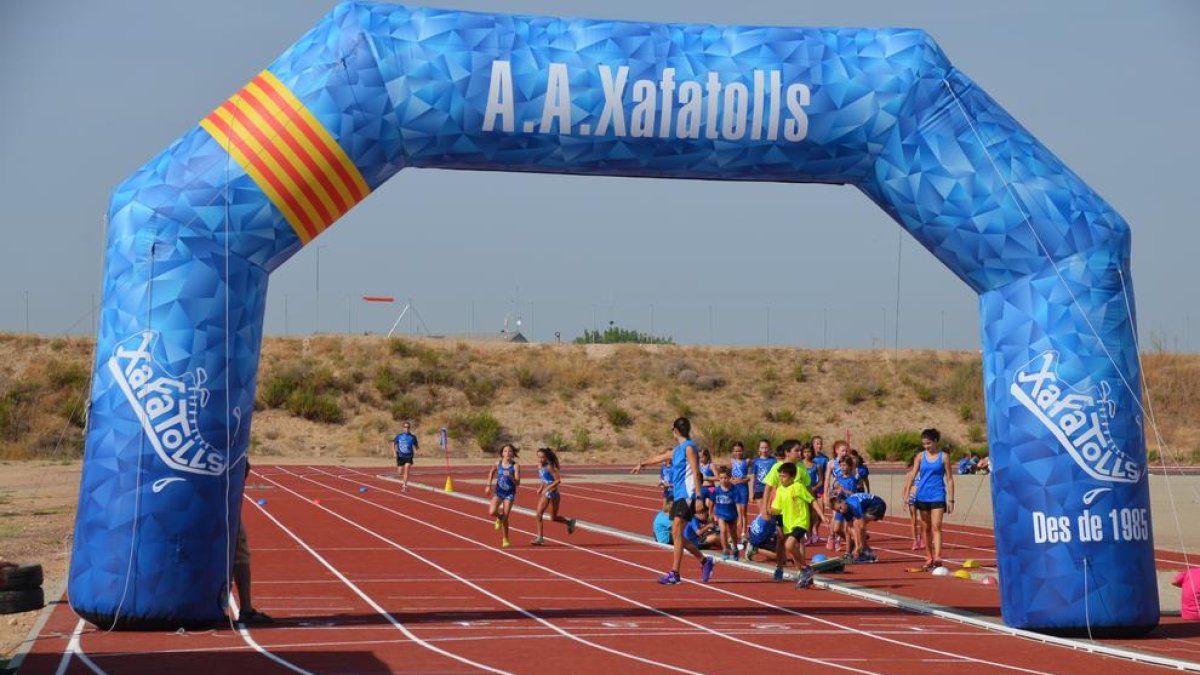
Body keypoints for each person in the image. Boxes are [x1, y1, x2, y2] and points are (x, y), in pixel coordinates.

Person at [632, 417, 715, 585]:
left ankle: (675, 573)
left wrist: (699, 497)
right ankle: (704, 561)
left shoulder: (690, 448)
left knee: (677, 530)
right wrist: (642, 463)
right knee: (676, 534)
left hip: (688, 495)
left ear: (675, 431)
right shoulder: (677, 450)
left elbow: (696, 472)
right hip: (678, 496)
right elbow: (661, 457)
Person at [902, 428, 955, 569]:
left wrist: (951, 500)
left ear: (936, 441)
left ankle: (938, 557)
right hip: (922, 495)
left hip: (938, 494)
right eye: (924, 444)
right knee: (926, 528)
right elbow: (912, 475)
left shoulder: (944, 457)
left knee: (937, 526)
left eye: (929, 443)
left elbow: (949, 479)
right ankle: (929, 556)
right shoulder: (920, 456)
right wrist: (907, 495)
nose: (926, 446)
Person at [234, 460, 273, 625]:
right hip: (224, 507)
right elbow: (244, 468)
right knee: (239, 555)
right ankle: (246, 609)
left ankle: (208, 607)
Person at [770, 462, 817, 589]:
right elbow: (776, 508)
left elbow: (812, 500)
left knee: (789, 545)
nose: (781, 479)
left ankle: (805, 569)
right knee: (791, 549)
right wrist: (769, 511)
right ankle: (805, 572)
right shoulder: (780, 490)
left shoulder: (798, 487)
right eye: (779, 476)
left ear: (792, 477)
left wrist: (822, 516)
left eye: (784, 476)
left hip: (801, 522)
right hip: (788, 524)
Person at [531, 447, 576, 545]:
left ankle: (569, 522)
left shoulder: (550, 467)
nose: (540, 459)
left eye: (542, 458)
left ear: (546, 458)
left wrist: (548, 487)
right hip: (546, 494)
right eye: (538, 457)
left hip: (554, 494)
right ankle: (540, 538)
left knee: (553, 518)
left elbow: (558, 480)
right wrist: (541, 487)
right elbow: (543, 478)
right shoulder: (539, 466)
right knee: (538, 514)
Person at [830, 492, 887, 563]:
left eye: (840, 508)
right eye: (838, 511)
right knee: (849, 528)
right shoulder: (845, 508)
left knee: (857, 523)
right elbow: (847, 530)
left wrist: (858, 547)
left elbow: (862, 525)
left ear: (843, 501)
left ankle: (862, 552)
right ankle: (867, 552)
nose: (841, 511)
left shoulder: (854, 504)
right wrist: (847, 552)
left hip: (878, 505)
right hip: (868, 507)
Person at [485, 444, 521, 549]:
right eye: (505, 451)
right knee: (492, 512)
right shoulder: (498, 464)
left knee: (506, 517)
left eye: (510, 451)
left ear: (513, 453)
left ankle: (505, 538)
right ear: (502, 453)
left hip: (509, 493)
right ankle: (499, 517)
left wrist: (510, 476)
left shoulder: (515, 466)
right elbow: (491, 472)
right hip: (498, 492)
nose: (508, 453)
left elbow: (518, 483)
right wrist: (488, 485)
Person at [712, 466, 739, 560]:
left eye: (726, 478)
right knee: (723, 531)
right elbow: (712, 502)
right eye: (721, 478)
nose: (723, 480)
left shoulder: (734, 490)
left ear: (730, 478)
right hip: (721, 514)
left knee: (733, 534)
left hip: (732, 514)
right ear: (719, 478)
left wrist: (738, 517)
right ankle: (725, 550)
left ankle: (735, 548)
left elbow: (738, 504)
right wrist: (712, 514)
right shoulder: (716, 490)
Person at [728, 441, 751, 546]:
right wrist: (732, 480)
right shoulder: (731, 461)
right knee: (736, 512)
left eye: (739, 450)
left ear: (743, 451)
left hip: (743, 488)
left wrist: (741, 480)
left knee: (743, 512)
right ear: (733, 452)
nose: (738, 452)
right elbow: (728, 475)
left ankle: (743, 533)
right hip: (734, 488)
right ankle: (733, 533)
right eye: (735, 451)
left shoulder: (746, 461)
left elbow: (749, 477)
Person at [903, 453, 924, 551]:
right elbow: (906, 488)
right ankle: (915, 540)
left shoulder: (925, 473)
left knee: (924, 520)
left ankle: (921, 538)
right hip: (912, 497)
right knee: (914, 520)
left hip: (923, 498)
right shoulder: (910, 474)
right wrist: (905, 500)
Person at [749, 439, 776, 513]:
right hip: (758, 489)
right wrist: (751, 493)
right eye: (762, 447)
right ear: (759, 449)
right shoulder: (756, 461)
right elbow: (753, 478)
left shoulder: (773, 461)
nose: (764, 450)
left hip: (770, 489)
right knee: (762, 512)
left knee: (770, 511)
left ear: (770, 449)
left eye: (766, 447)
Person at [392, 421, 419, 492]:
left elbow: (416, 446)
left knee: (407, 469)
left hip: (409, 456)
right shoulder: (399, 436)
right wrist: (394, 452)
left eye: (408, 427)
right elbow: (394, 443)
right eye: (405, 427)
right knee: (400, 472)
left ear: (409, 428)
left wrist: (417, 451)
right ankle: (403, 478)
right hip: (400, 456)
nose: (406, 428)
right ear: (403, 428)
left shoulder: (413, 437)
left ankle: (404, 486)